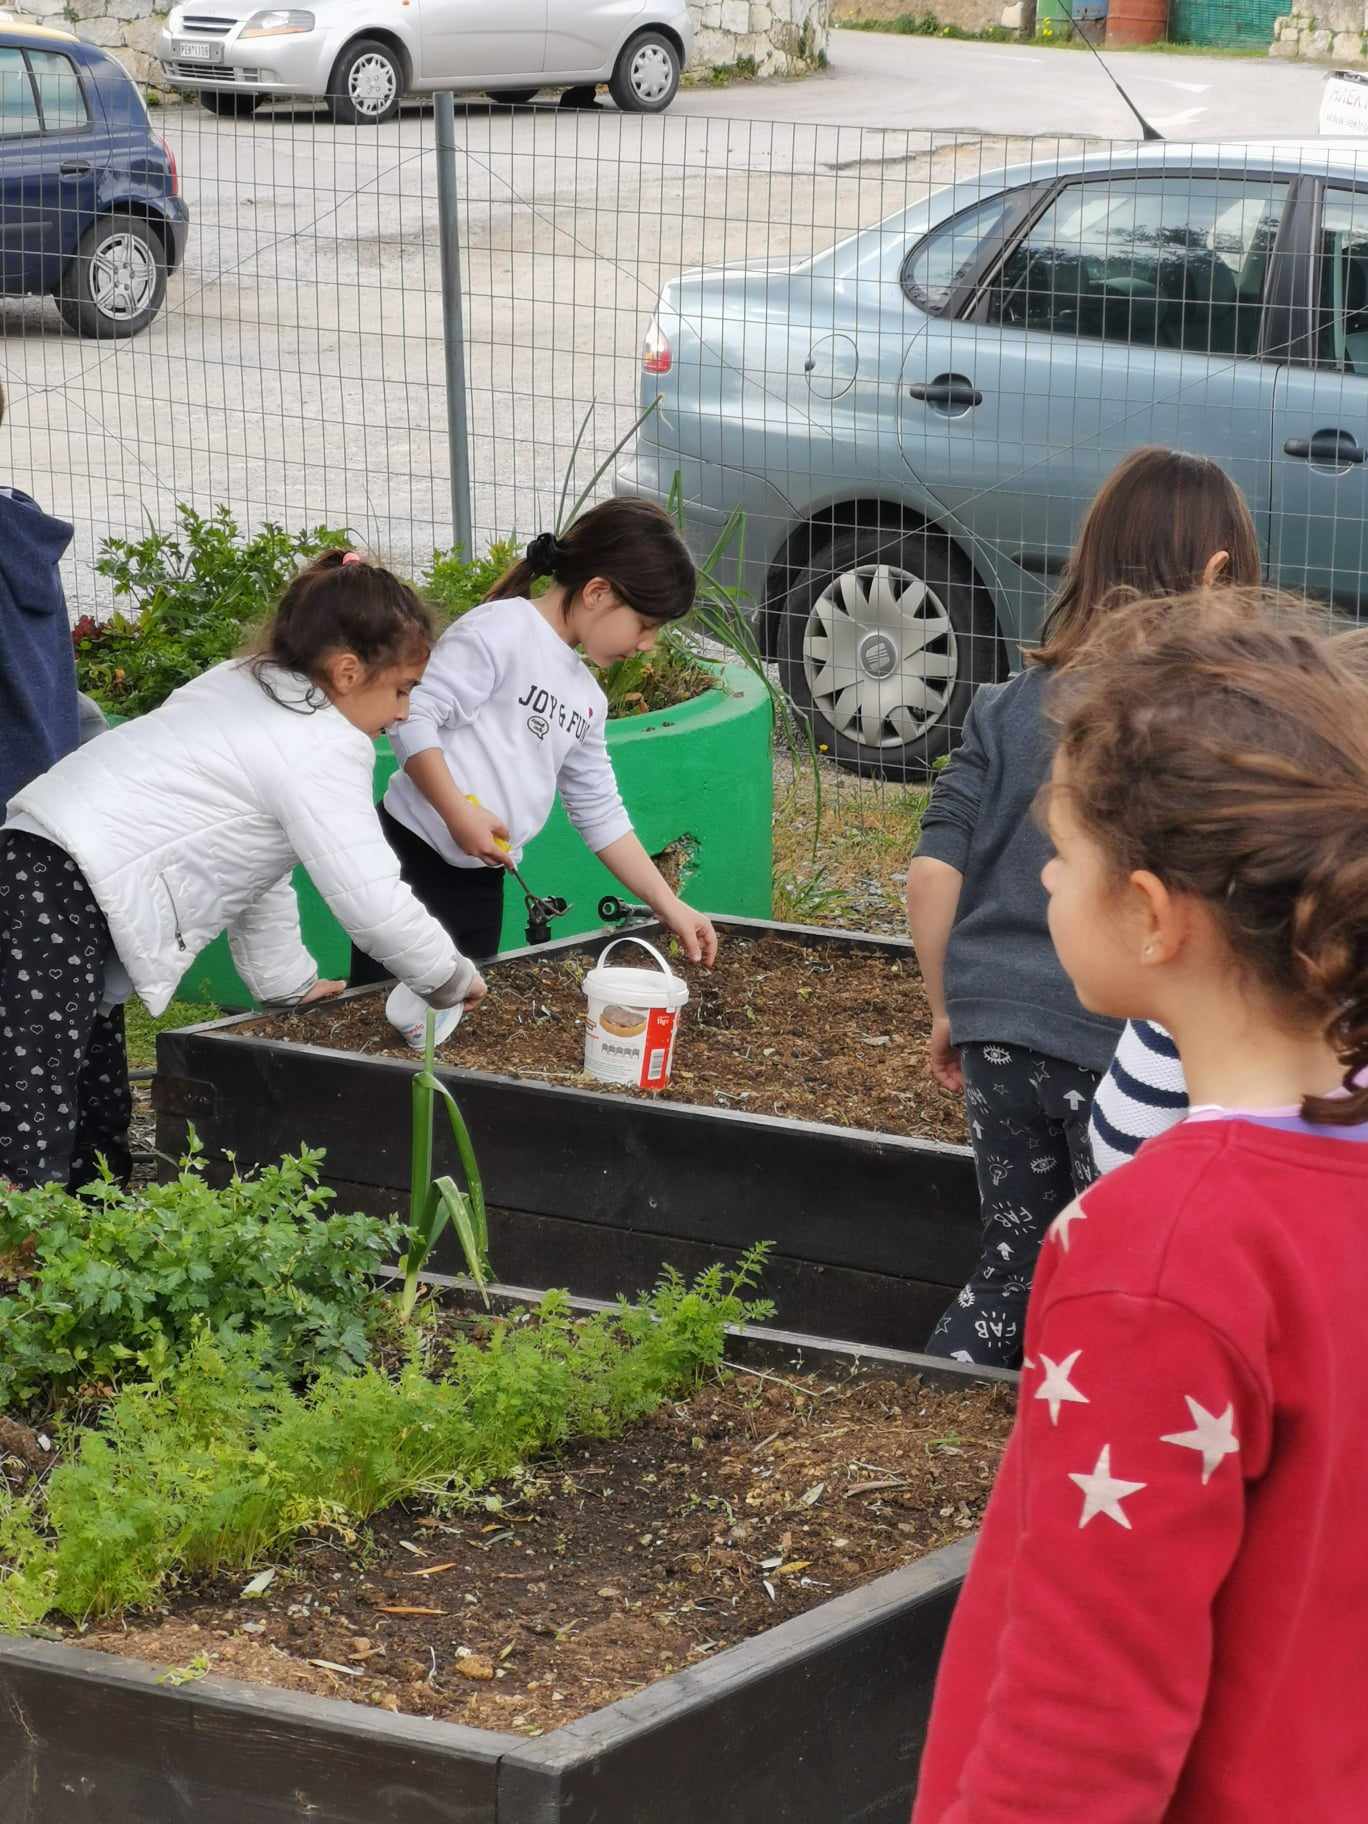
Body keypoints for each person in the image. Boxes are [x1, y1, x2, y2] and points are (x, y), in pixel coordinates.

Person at [911, 592, 1368, 1824]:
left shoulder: (1156, 1254)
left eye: (1063, 851)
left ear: (1155, 915)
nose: (1048, 874)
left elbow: (1083, 1726)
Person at [905, 447, 1260, 1367]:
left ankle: (941, 1390)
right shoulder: (1190, 720)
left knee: (1013, 1261)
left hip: (993, 1030)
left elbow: (930, 874)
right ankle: (1079, 1411)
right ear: (1214, 573)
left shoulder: (1007, 703)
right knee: (1110, 1263)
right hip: (1112, 1044)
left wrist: (950, 1006)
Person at [1, 550, 482, 1193]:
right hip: (58, 882)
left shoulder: (243, 683)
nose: (403, 713)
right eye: (402, 690)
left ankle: (93, 1232)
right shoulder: (322, 746)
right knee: (32, 1096)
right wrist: (448, 977)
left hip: (46, 867)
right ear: (346, 672)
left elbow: (255, 867)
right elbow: (372, 902)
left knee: (88, 1078)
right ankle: (24, 1257)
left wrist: (286, 983)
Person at [350, 499, 718, 982]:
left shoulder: (588, 699)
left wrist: (669, 905)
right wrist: (458, 813)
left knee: (455, 1017)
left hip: (482, 879)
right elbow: (413, 717)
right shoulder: (501, 629)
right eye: (646, 624)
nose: (648, 642)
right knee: (380, 1013)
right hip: (410, 858)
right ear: (598, 592)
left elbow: (600, 811)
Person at [0, 382, 132, 1189]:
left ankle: (38, 1260)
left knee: (27, 1088)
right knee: (60, 1059)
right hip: (57, 832)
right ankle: (94, 1235)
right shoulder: (19, 535)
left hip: (20, 853)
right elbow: (62, 702)